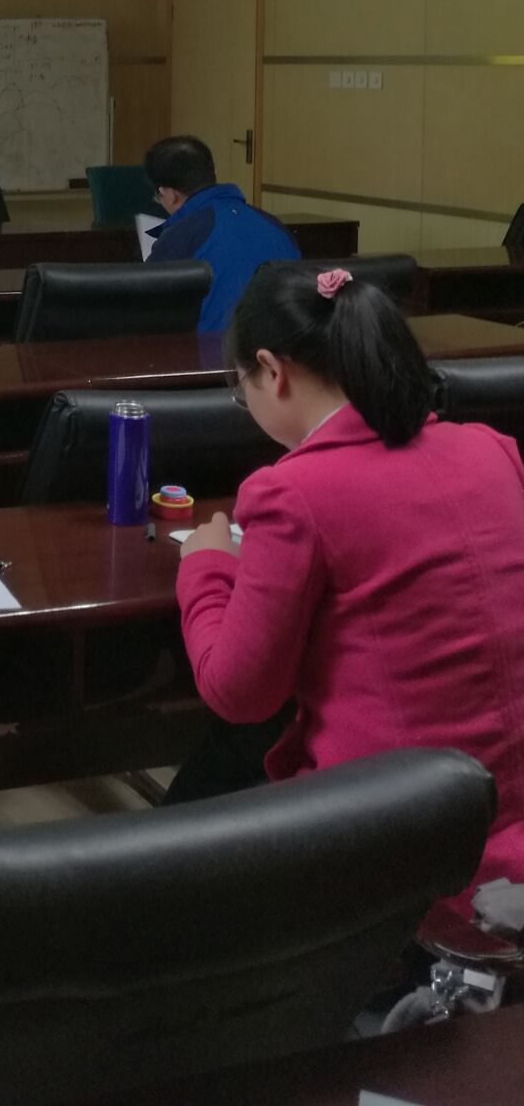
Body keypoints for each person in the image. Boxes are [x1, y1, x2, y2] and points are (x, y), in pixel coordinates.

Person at [174, 263, 524, 923]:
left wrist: (207, 566)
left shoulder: (291, 491)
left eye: (242, 386)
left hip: (403, 846)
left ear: (272, 371)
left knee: (226, 767)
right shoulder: (491, 449)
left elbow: (239, 694)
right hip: (506, 822)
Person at [143, 134, 298, 333]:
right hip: (283, 347)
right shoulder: (276, 226)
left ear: (171, 195)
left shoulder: (181, 236)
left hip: (212, 350)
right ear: (213, 172)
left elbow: (148, 309)